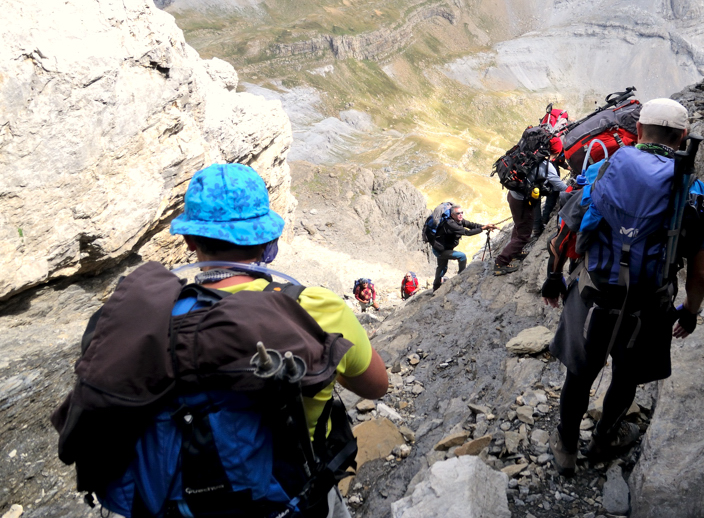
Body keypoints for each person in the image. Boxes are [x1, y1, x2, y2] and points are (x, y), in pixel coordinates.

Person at [54, 163, 388, 517]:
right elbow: (376, 386)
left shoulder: (153, 322)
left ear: (189, 240)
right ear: (266, 238)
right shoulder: (315, 308)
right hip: (287, 502)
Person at [541, 99, 704, 475]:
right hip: (649, 305)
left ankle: (567, 447)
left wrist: (554, 276)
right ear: (682, 137)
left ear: (638, 132)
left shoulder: (606, 167)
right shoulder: (692, 190)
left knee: (580, 373)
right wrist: (691, 311)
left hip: (594, 294)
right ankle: (604, 438)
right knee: (627, 376)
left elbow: (565, 232)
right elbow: (700, 272)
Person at [494, 137, 567, 275]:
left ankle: (515, 252)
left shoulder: (530, 157)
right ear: (556, 152)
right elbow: (560, 185)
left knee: (519, 224)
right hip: (521, 201)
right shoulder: (546, 165)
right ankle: (501, 263)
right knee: (524, 234)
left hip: (514, 195)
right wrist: (573, 189)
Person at [431, 205, 495, 291]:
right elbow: (467, 232)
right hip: (440, 250)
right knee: (462, 256)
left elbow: (472, 225)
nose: (461, 215)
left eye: (462, 212)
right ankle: (462, 276)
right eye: (458, 213)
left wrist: (485, 226)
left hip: (444, 248)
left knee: (442, 267)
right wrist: (483, 228)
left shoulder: (459, 221)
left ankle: (436, 286)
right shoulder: (450, 224)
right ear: (452, 215)